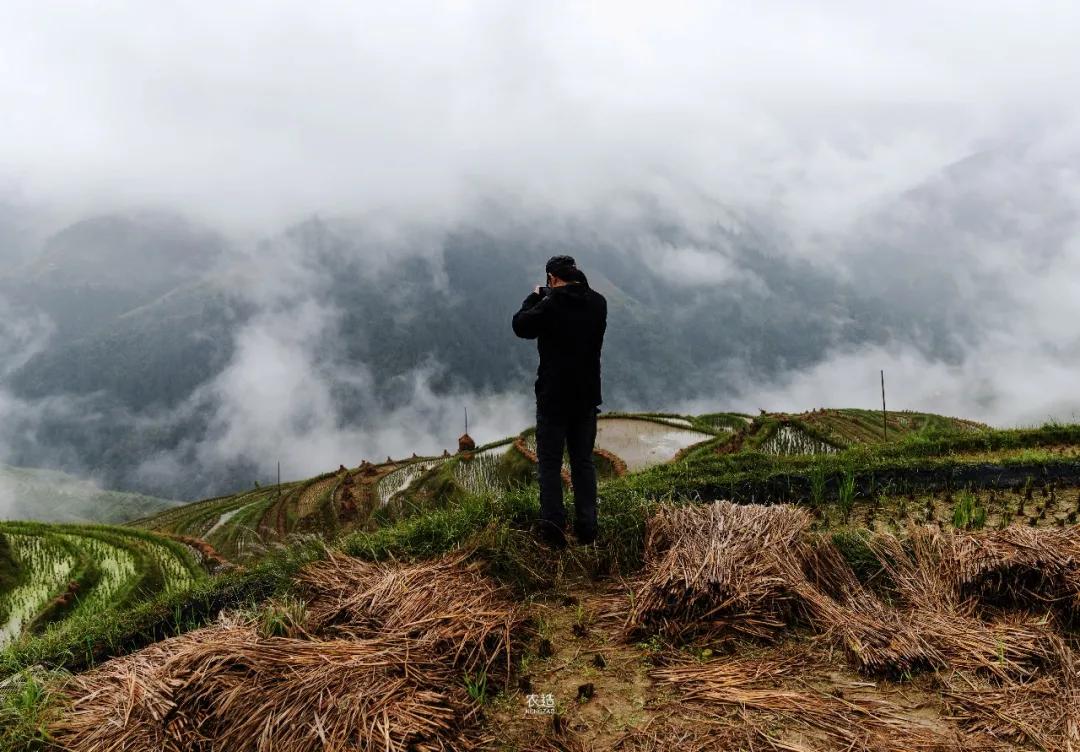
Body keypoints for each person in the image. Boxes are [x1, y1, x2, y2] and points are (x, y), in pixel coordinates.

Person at [512, 255, 607, 548]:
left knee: (551, 465)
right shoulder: (599, 302)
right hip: (587, 397)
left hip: (554, 398)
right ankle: (587, 528)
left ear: (552, 278)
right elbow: (578, 300)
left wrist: (534, 296)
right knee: (583, 463)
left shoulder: (550, 305)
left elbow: (520, 326)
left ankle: (554, 530)